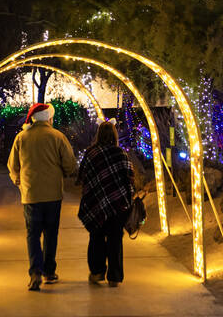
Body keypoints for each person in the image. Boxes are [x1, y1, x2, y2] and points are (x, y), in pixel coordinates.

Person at [7, 102, 78, 291]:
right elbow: (70, 164)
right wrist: (65, 172)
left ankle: (35, 271)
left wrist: (19, 181)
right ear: (49, 118)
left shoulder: (21, 138)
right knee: (50, 234)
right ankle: (49, 272)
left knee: (33, 234)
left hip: (30, 194)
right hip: (53, 194)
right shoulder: (58, 137)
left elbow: (12, 166)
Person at [76, 120, 134, 287]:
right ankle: (115, 277)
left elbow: (83, 178)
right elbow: (129, 178)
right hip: (118, 205)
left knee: (96, 237)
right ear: (115, 135)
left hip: (96, 203)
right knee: (115, 240)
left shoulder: (91, 153)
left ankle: (97, 272)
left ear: (98, 135)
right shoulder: (121, 154)